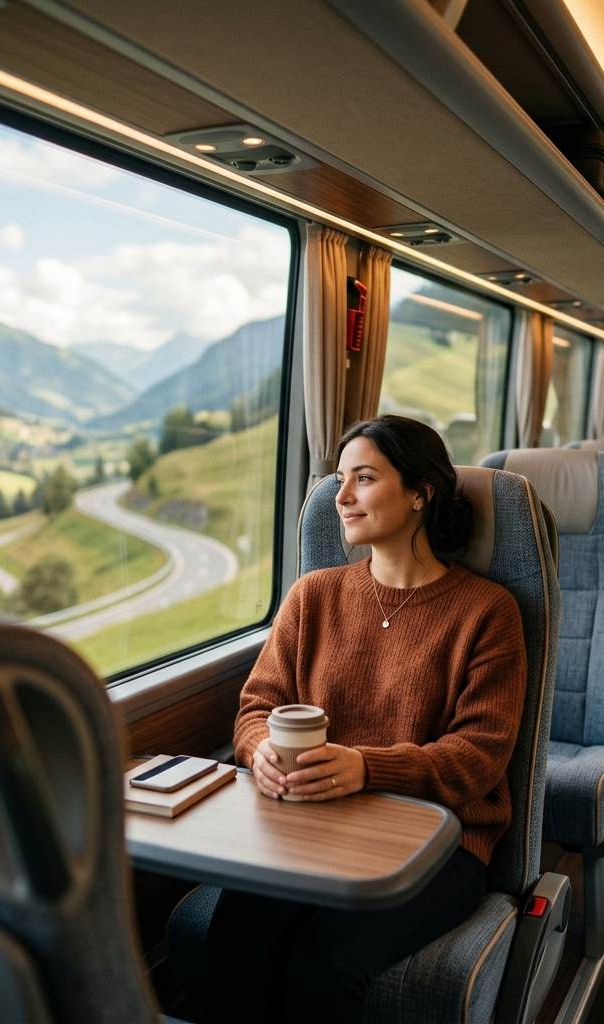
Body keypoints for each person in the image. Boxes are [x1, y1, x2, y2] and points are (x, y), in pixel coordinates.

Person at [197, 415, 527, 1023]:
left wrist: (364, 767)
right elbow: (254, 709)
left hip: (439, 841)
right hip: (313, 829)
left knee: (325, 963)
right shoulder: (313, 595)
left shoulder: (487, 612)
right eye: (340, 479)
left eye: (364, 479)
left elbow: (478, 758)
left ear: (420, 493)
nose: (341, 497)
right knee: (234, 945)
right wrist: (259, 751)